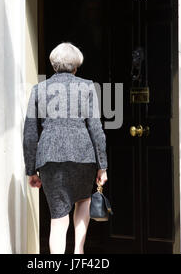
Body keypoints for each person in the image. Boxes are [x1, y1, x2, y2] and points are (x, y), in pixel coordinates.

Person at [23, 42, 108, 254]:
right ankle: (78, 252)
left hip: (50, 158)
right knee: (83, 200)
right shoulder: (87, 87)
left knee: (58, 218)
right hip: (83, 156)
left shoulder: (38, 89)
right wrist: (102, 166)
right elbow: (96, 128)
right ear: (76, 66)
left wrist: (31, 170)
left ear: (53, 65)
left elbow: (30, 134)